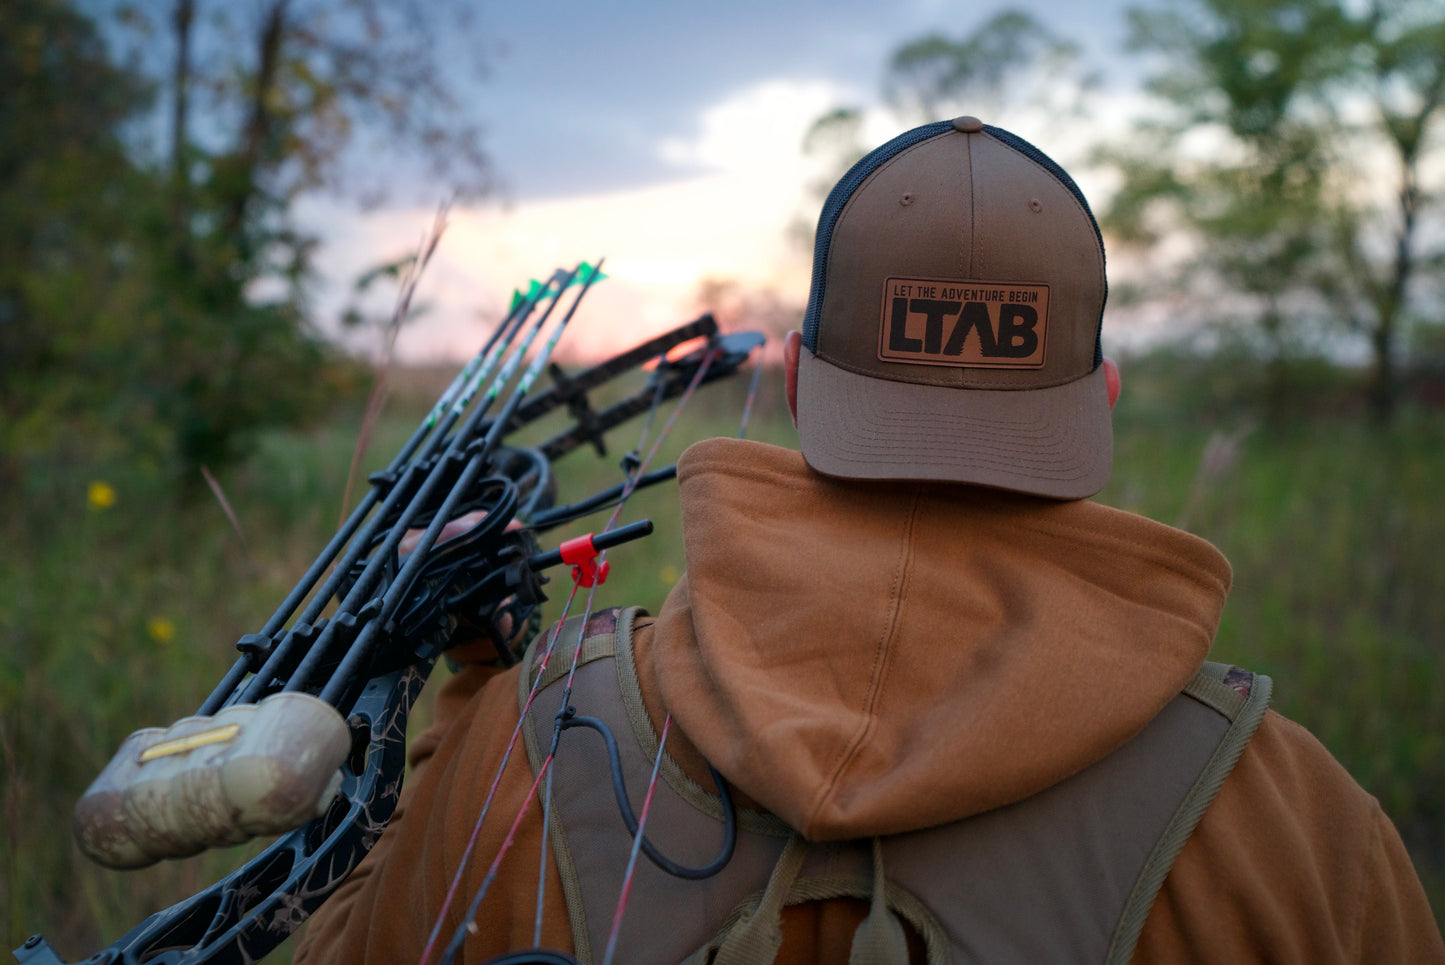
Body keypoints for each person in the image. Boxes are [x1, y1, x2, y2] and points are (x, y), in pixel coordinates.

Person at [294, 117, 1445, 964]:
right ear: (1100, 396)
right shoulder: (1292, 817)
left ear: (796, 382)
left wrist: (465, 696)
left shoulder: (529, 743)